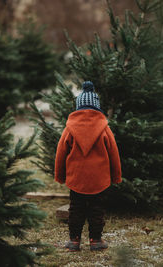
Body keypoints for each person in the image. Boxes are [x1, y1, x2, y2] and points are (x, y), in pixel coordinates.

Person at [54, 81, 122, 252]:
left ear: (78, 107)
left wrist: (60, 176)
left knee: (75, 209)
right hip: (99, 179)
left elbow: (60, 153)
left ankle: (74, 241)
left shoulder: (69, 129)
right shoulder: (105, 129)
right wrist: (115, 177)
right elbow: (114, 154)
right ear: (97, 108)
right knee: (96, 210)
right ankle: (95, 240)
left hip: (76, 178)